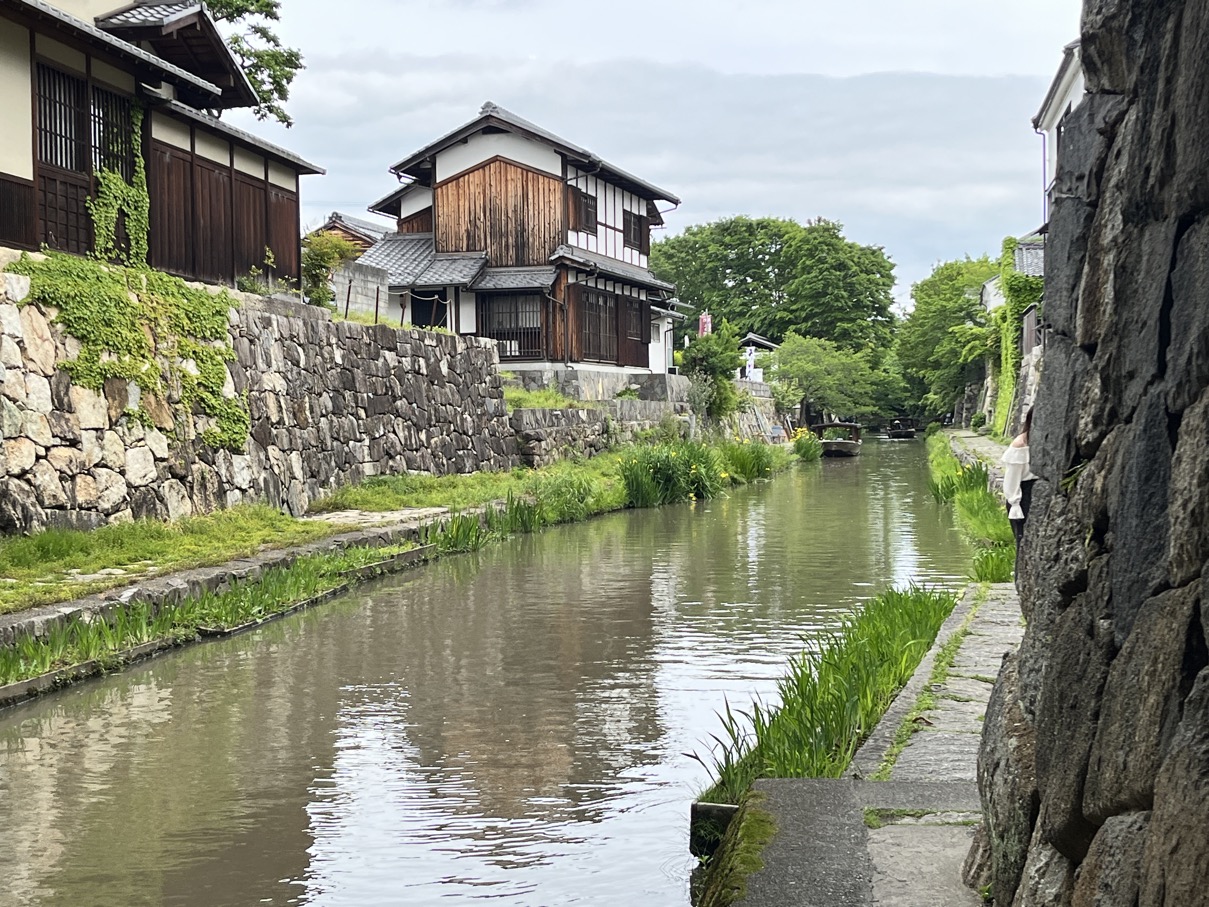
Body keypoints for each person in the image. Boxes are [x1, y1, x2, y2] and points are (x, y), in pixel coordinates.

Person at [1002, 408, 1036, 556]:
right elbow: (1011, 480)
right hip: (1022, 496)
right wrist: (1015, 503)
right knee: (1024, 546)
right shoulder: (1020, 444)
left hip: (1039, 492)